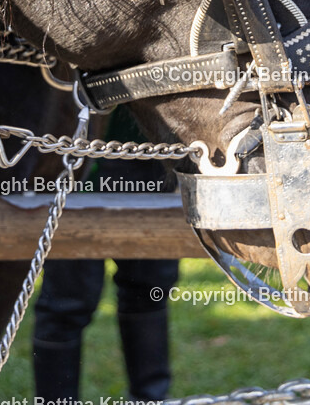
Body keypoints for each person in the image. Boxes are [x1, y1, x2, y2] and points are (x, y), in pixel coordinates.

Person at [33, 109, 179, 402]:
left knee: (150, 287)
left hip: (145, 147)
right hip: (74, 154)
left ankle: (150, 398)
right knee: (66, 300)